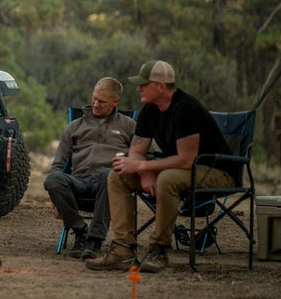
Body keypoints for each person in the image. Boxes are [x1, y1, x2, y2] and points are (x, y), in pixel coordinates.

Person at [86, 60, 234, 273]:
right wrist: (144, 171)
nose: (138, 89)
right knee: (118, 175)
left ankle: (159, 249)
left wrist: (145, 166)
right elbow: (137, 149)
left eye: (143, 85)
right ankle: (122, 251)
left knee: (167, 179)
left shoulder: (186, 109)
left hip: (218, 170)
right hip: (179, 168)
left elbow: (187, 159)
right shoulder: (150, 109)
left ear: (161, 86)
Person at [44, 77, 135, 260]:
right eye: (94, 98)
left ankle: (95, 240)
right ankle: (80, 231)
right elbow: (58, 165)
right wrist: (56, 201)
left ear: (115, 102)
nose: (95, 104)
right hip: (80, 181)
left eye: (101, 101)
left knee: (108, 175)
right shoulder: (75, 126)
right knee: (52, 180)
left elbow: (146, 155)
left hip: (111, 183)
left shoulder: (129, 126)